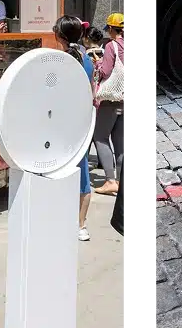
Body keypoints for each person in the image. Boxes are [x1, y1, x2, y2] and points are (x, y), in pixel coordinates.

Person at [53, 15, 98, 241]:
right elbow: (91, 91)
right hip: (82, 123)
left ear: (59, 36)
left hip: (63, 124)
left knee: (58, 170)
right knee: (82, 174)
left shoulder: (61, 61)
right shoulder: (86, 57)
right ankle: (81, 225)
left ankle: (60, 221)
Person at [92, 13, 128, 196]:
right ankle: (121, 181)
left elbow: (105, 71)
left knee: (100, 137)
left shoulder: (111, 46)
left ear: (113, 29)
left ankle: (110, 180)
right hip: (125, 98)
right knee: (120, 141)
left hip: (111, 99)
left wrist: (98, 64)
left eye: (109, 29)